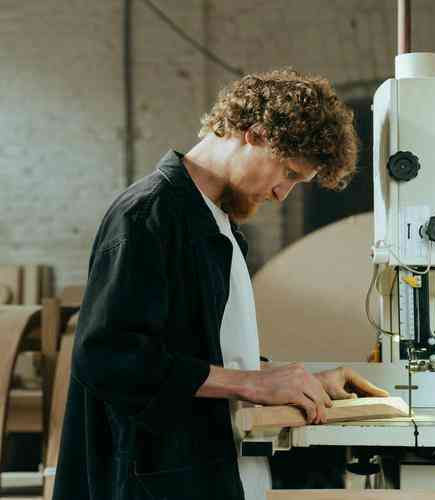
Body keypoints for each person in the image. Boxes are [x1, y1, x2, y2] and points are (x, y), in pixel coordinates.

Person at [52, 69, 389, 500]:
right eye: (286, 173)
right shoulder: (150, 215)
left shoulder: (218, 223)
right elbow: (107, 356)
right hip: (153, 480)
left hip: (207, 468)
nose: (282, 194)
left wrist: (289, 381)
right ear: (254, 134)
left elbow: (199, 350)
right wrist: (251, 384)